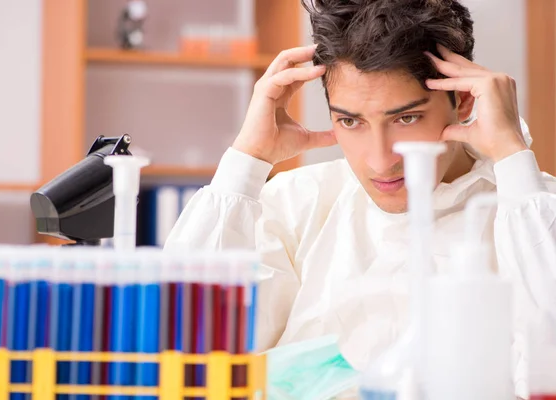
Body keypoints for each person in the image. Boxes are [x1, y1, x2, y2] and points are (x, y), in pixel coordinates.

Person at [164, 0, 556, 397]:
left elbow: (549, 371)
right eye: (350, 121)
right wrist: (246, 160)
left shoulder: (530, 212)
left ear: (465, 100)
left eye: (406, 118)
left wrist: (512, 157)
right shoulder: (298, 203)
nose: (380, 160)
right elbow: (183, 349)